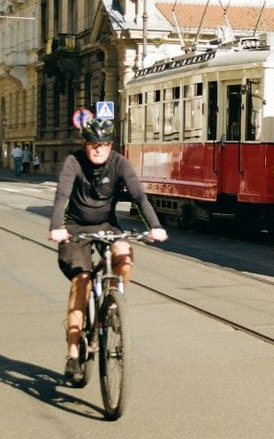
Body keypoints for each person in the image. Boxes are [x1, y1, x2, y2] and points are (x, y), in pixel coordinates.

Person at [49, 118, 167, 386]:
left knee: (124, 255)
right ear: (85, 144)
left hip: (107, 225)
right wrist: (57, 227)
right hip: (75, 228)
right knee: (82, 282)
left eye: (103, 145)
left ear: (110, 145)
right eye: (92, 144)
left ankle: (112, 302)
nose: (98, 150)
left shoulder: (120, 163)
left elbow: (139, 197)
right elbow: (61, 196)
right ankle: (73, 354)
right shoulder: (73, 162)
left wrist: (155, 226)